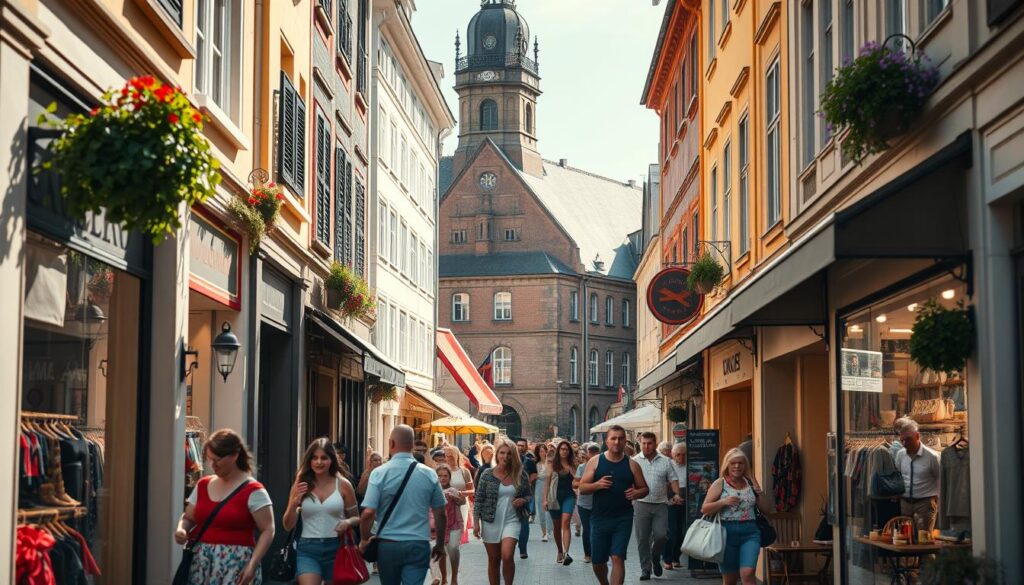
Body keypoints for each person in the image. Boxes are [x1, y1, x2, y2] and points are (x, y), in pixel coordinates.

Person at [174, 429, 274, 585]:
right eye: (209, 459)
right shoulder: (203, 484)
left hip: (236, 564)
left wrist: (252, 565)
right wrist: (181, 529)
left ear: (234, 456)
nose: (212, 465)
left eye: (217, 460)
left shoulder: (254, 490)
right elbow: (188, 517)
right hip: (201, 564)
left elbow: (268, 529)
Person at [359, 426, 448, 585]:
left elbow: (368, 513)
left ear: (391, 443)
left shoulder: (379, 473)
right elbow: (440, 512)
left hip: (388, 544)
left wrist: (364, 539)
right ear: (412, 444)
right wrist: (440, 544)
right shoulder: (429, 474)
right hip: (418, 543)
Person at [283, 438, 360, 585]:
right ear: (309, 460)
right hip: (307, 549)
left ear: (332, 460)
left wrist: (347, 522)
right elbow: (287, 525)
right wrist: (294, 504)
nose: (319, 462)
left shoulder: (343, 485)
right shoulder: (301, 484)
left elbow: (357, 517)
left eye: (324, 458)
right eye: (315, 458)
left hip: (337, 548)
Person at [579, 425, 649, 585]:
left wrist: (637, 493)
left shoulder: (632, 464)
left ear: (625, 441)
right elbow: (582, 488)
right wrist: (597, 485)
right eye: (613, 438)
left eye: (620, 438)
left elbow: (645, 488)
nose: (617, 441)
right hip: (599, 518)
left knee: (617, 557)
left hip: (623, 518)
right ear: (607, 441)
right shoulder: (595, 461)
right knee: (597, 562)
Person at [700, 448, 769, 585]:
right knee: (730, 579)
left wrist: (759, 492)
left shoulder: (750, 482)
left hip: (750, 532)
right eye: (733, 463)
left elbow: (767, 509)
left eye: (740, 463)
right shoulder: (720, 483)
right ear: (727, 465)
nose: (737, 466)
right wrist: (723, 502)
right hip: (726, 533)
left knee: (748, 573)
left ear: (745, 465)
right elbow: (705, 509)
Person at [473, 437, 532, 585]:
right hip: (490, 520)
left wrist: (523, 500)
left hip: (512, 520)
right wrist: (476, 523)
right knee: (493, 560)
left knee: (507, 556)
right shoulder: (487, 474)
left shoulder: (520, 474)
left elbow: (528, 495)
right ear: (497, 454)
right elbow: (478, 499)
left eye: (509, 453)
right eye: (502, 453)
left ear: (514, 455)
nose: (505, 456)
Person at [632, 432, 682, 580]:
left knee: (661, 535)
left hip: (661, 504)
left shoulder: (666, 461)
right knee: (642, 539)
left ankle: (655, 556)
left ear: (655, 443)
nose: (647, 446)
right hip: (641, 504)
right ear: (640, 444)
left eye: (650, 443)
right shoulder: (634, 461)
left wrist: (677, 494)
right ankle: (645, 569)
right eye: (644, 443)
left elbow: (673, 479)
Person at [894, 417, 941, 532]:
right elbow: (898, 475)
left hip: (925, 503)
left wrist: (938, 502)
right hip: (905, 503)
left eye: (908, 439)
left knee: (923, 538)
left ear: (917, 436)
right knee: (906, 537)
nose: (904, 443)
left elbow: (940, 479)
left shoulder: (932, 457)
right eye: (902, 440)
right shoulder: (900, 455)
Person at [431, 464, 466, 585]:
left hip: (454, 524)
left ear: (449, 477)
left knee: (453, 549)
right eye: (439, 475)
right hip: (439, 526)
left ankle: (454, 578)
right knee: (440, 551)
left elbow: (463, 501)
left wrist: (457, 499)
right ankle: (443, 578)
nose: (442, 478)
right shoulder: (432, 490)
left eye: (445, 476)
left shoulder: (453, 490)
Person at [545, 440, 578, 565]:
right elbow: (547, 483)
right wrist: (544, 499)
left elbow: (578, 481)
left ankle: (566, 553)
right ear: (558, 451)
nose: (564, 451)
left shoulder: (573, 465)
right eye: (562, 449)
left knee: (566, 522)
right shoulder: (553, 464)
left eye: (567, 449)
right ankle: (559, 550)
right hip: (554, 498)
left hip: (569, 496)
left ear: (569, 452)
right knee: (557, 527)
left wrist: (573, 472)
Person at [573, 442, 601, 563]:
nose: (593, 455)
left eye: (596, 452)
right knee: (588, 529)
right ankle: (588, 554)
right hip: (584, 503)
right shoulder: (582, 467)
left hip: (599, 503)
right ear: (588, 454)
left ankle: (597, 552)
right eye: (591, 452)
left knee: (597, 528)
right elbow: (575, 483)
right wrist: (589, 485)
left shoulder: (603, 466)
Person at [663, 442, 687, 570]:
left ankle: (676, 557)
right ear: (673, 455)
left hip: (686, 502)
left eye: (684, 455)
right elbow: (664, 485)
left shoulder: (690, 467)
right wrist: (672, 497)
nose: (681, 458)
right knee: (672, 532)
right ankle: (667, 559)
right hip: (671, 502)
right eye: (678, 455)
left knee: (682, 532)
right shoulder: (669, 466)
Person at [515, 438, 538, 559]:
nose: (520, 447)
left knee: (524, 521)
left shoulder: (529, 461)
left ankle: (523, 549)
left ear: (526, 447)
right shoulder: (510, 460)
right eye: (518, 445)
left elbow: (534, 473)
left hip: (524, 494)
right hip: (510, 494)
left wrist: (528, 482)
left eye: (522, 446)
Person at [532, 443, 552, 541]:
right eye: (540, 451)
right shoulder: (536, 464)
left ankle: (550, 530)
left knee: (550, 509)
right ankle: (544, 533)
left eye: (544, 451)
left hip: (550, 486)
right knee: (541, 510)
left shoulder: (551, 462)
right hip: (539, 486)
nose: (542, 453)